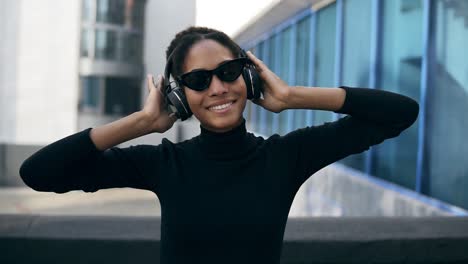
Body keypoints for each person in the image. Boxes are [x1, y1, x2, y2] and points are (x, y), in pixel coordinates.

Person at [19, 26, 419, 263]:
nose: (217, 88)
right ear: (179, 96)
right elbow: (38, 172)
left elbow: (401, 112)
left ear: (249, 78)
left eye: (228, 72)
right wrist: (142, 122)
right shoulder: (162, 163)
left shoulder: (287, 155)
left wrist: (293, 96)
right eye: (198, 80)